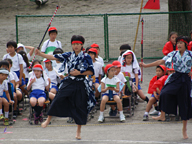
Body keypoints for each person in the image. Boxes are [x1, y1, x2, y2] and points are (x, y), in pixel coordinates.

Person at [35, 35, 95, 140]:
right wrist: (40, 54)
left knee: (80, 106)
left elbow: (91, 71)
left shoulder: (87, 57)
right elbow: (54, 57)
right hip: (69, 82)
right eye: (74, 44)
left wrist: (79, 72)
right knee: (58, 98)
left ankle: (78, 130)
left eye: (78, 44)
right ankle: (48, 119)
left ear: (81, 45)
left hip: (81, 83)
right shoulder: (68, 55)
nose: (76, 46)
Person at [140, 36, 192, 139]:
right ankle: (162, 114)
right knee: (164, 92)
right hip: (176, 77)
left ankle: (184, 129)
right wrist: (146, 66)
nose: (179, 44)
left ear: (185, 44)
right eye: (178, 42)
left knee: (184, 104)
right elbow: (160, 61)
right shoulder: (173, 54)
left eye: (181, 42)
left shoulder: (190, 54)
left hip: (185, 79)